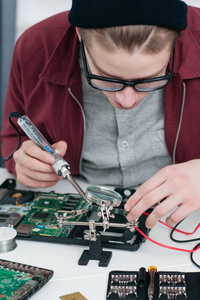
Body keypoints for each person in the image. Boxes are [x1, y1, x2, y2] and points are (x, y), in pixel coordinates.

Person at [1, 0, 200, 229]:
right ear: (79, 35)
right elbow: (13, 140)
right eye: (107, 78)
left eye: (149, 79)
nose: (127, 101)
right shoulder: (35, 47)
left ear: (177, 40)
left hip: (186, 217)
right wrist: (26, 163)